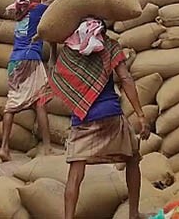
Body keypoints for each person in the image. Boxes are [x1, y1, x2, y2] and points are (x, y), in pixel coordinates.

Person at [47, 18, 150, 219]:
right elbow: (126, 79)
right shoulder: (109, 46)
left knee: (75, 173)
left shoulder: (69, 52)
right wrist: (140, 115)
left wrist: (52, 46)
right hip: (110, 114)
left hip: (82, 117)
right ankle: (133, 214)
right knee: (132, 159)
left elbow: (54, 72)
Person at [0, 0, 53, 161]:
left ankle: (4, 147)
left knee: (12, 102)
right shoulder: (38, 10)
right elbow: (57, 7)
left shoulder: (20, 12)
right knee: (40, 102)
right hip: (30, 59)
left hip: (14, 61)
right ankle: (47, 148)